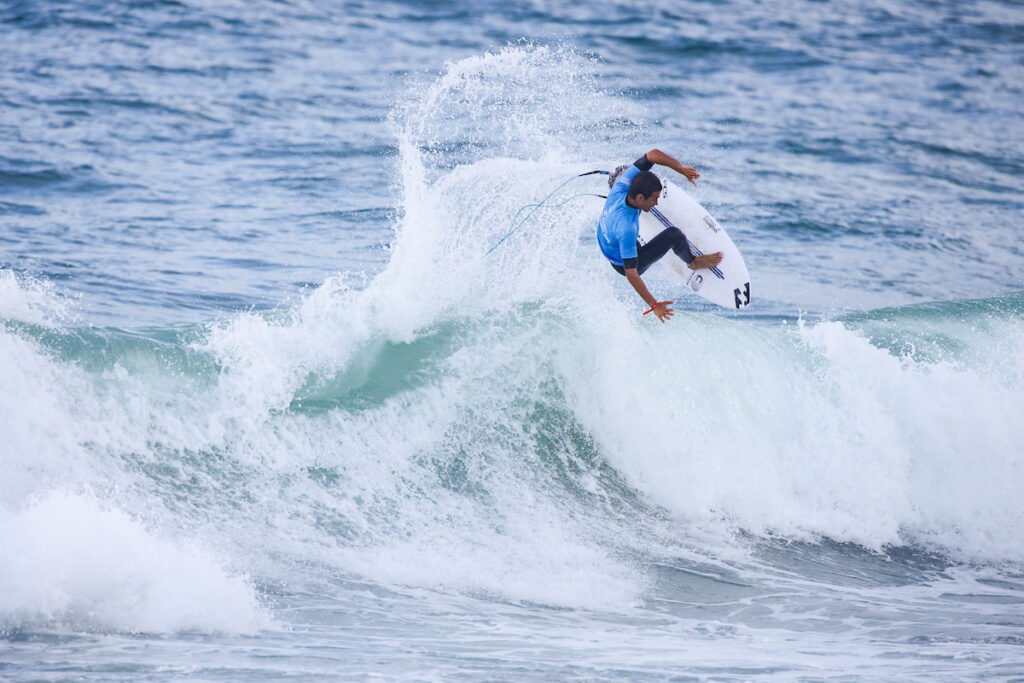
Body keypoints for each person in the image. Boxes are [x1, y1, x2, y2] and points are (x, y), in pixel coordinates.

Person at [597, 149, 723, 322]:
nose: (657, 203)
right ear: (640, 197)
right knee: (674, 235)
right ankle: (693, 262)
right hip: (621, 262)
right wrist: (654, 305)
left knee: (622, 171)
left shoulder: (621, 186)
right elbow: (632, 274)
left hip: (608, 240)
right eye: (654, 199)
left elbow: (652, 155)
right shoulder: (626, 229)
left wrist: (681, 168)